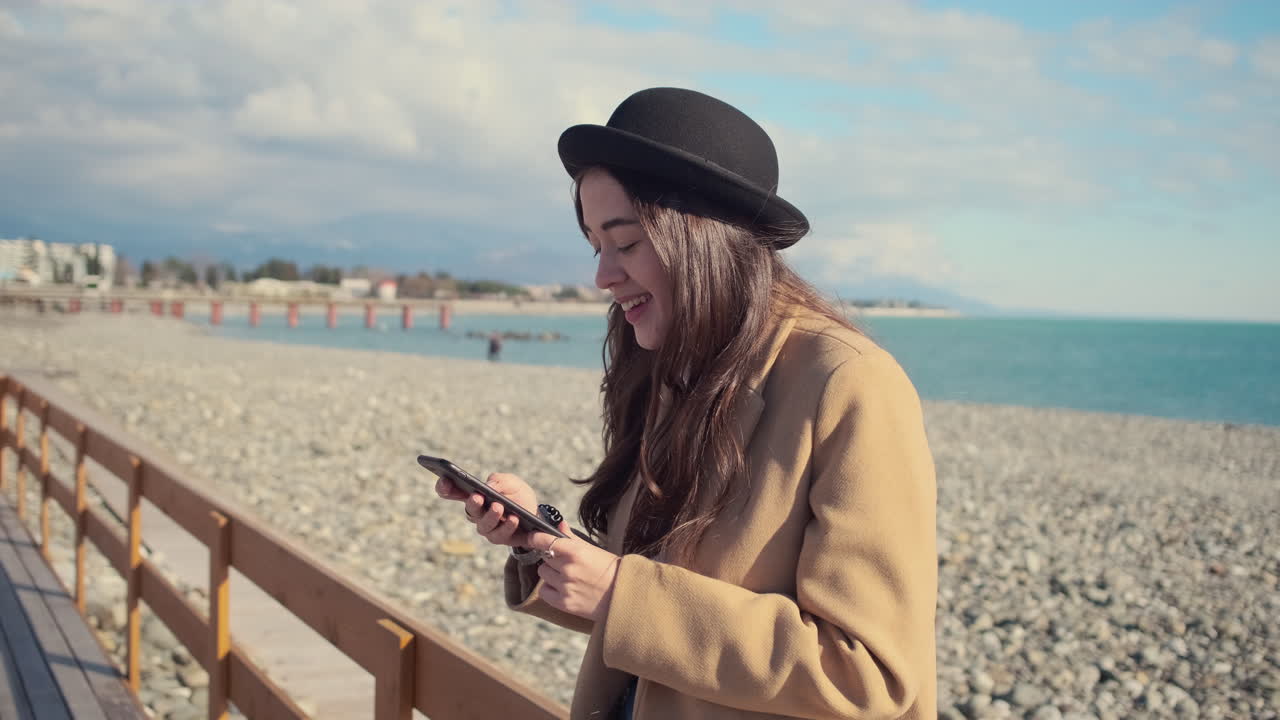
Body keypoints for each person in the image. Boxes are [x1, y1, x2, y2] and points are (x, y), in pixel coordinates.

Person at [435, 87, 937, 720]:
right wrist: (550, 544)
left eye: (627, 242)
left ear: (704, 240)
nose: (602, 276)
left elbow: (867, 671)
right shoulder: (675, 366)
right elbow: (669, 620)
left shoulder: (851, 383)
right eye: (596, 245)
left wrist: (619, 594)